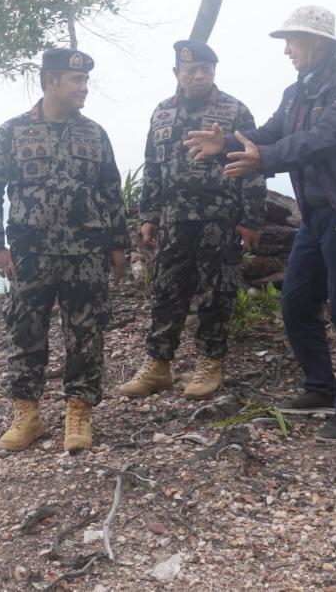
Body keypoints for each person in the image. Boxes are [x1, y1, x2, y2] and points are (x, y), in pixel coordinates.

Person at [183, 7, 336, 441]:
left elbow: (325, 137)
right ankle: (321, 388)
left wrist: (263, 160)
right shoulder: (296, 92)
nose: (287, 50)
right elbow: (269, 132)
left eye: (293, 41)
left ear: (319, 42)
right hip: (315, 216)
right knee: (295, 302)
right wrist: (225, 144)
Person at [0, 47, 129, 454]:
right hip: (30, 255)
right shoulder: (12, 132)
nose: (84, 88)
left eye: (85, 81)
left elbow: (111, 192)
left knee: (86, 334)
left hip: (86, 255)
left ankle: (78, 413)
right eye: (76, 80)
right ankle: (27, 413)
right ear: (51, 81)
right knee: (26, 333)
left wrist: (119, 245)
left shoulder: (94, 134)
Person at [117, 40, 266, 401]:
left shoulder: (235, 110)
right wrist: (149, 215)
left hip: (221, 218)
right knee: (168, 290)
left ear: (214, 71)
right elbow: (152, 165)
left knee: (218, 292)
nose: (199, 76)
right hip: (174, 219)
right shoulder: (162, 112)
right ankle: (158, 365)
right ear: (177, 73)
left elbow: (253, 166)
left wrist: (251, 219)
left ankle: (209, 363)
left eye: (206, 70)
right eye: (191, 70)